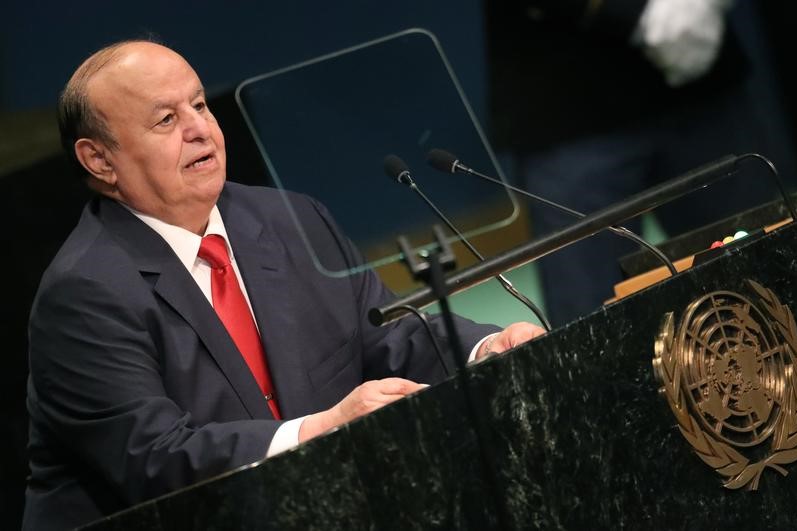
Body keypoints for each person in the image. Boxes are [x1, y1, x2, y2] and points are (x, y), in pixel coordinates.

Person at [23, 40, 544, 530]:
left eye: (200, 106)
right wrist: (322, 429)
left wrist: (483, 349)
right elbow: (155, 458)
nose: (200, 129)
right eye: (166, 119)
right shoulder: (84, 292)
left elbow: (384, 336)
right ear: (99, 160)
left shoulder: (290, 219)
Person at [485, 0, 793, 326]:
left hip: (702, 68)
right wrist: (633, 12)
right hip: (565, 96)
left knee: (766, 297)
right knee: (596, 332)